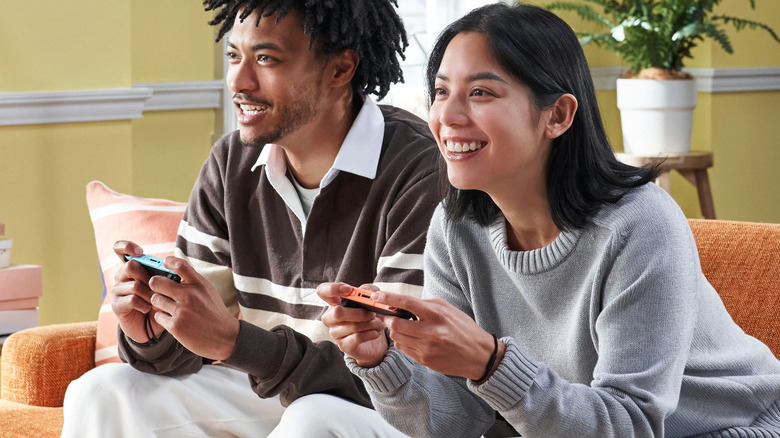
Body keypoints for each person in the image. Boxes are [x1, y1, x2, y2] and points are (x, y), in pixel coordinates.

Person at [316, 3, 780, 437]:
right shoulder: (456, 228)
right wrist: (381, 362)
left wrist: (489, 363)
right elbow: (455, 421)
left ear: (557, 115)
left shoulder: (639, 224)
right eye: (441, 91)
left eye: (480, 92)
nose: (447, 116)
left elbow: (632, 423)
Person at [61, 1, 440, 436]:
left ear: (340, 70)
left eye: (265, 59)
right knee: (104, 390)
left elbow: (401, 378)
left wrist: (234, 341)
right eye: (233, 56)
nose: (239, 82)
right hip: (271, 386)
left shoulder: (418, 170)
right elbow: (195, 346)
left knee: (312, 418)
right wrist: (152, 329)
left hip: (385, 411)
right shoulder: (231, 163)